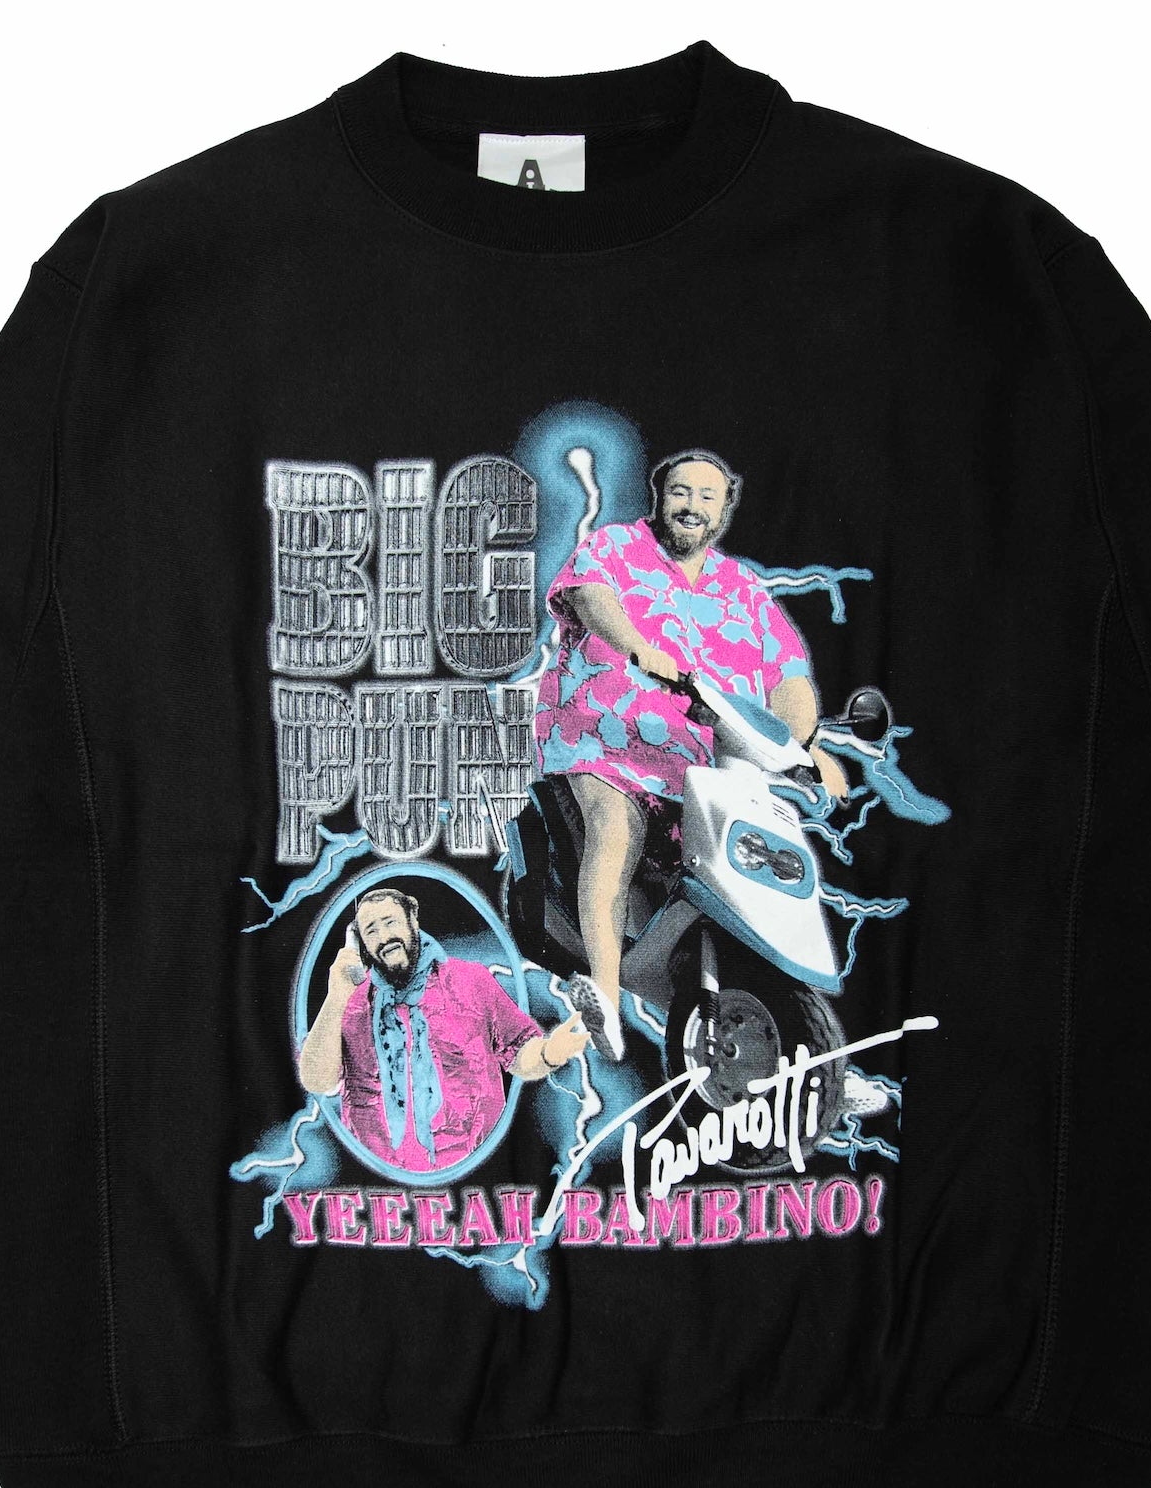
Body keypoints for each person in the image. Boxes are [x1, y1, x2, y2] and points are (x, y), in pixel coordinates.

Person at [534, 451, 846, 1055]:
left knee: (763, 876)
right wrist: (636, 646)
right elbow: (591, 597)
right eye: (680, 492)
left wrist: (803, 740)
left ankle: (813, 1052)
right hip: (607, 739)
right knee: (614, 831)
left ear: (725, 507)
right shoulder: (617, 546)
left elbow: (788, 675)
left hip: (704, 765)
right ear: (660, 496)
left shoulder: (743, 589)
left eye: (707, 496)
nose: (692, 506)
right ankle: (605, 1003)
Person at [297, 885, 590, 1172]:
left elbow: (519, 1053)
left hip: (475, 1174)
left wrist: (548, 1053)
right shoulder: (349, 1004)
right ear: (360, 943)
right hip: (382, 1184)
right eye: (371, 931)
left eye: (390, 922)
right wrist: (336, 996)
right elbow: (317, 1081)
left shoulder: (471, 981)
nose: (384, 937)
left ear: (412, 918)